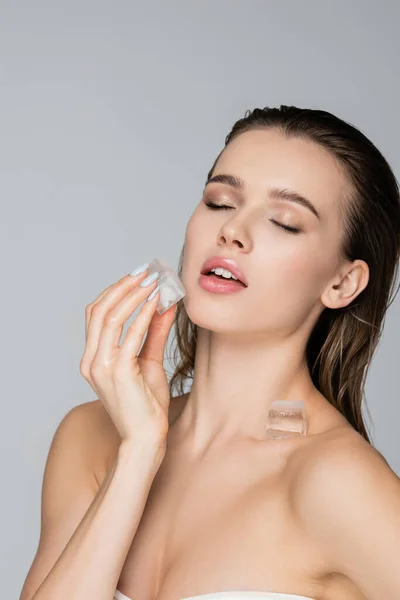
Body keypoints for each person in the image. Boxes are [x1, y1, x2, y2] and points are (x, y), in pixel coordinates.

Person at [20, 105, 400, 600]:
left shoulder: (337, 482)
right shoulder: (92, 437)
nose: (232, 231)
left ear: (342, 282)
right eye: (220, 201)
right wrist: (138, 454)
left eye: (284, 222)